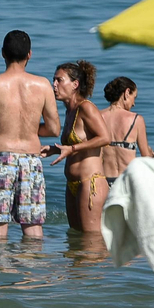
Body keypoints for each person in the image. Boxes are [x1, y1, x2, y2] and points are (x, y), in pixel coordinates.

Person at [0, 30, 60, 240]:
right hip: (30, 160)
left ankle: (0, 272)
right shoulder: (43, 85)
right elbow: (54, 129)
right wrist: (28, 127)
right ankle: (31, 270)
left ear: (3, 53)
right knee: (33, 227)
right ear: (30, 54)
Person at [41, 61, 111, 233]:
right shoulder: (69, 111)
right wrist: (56, 149)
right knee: (75, 239)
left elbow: (105, 137)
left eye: (59, 80)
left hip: (90, 182)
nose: (54, 85)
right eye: (54, 80)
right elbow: (76, 142)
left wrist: (71, 149)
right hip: (72, 184)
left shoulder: (86, 107)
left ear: (75, 84)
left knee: (91, 241)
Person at [99, 76, 154, 186]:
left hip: (102, 182)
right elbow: (146, 158)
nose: (134, 104)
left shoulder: (97, 117)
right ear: (127, 92)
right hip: (126, 182)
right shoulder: (136, 119)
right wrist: (151, 155)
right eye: (134, 97)